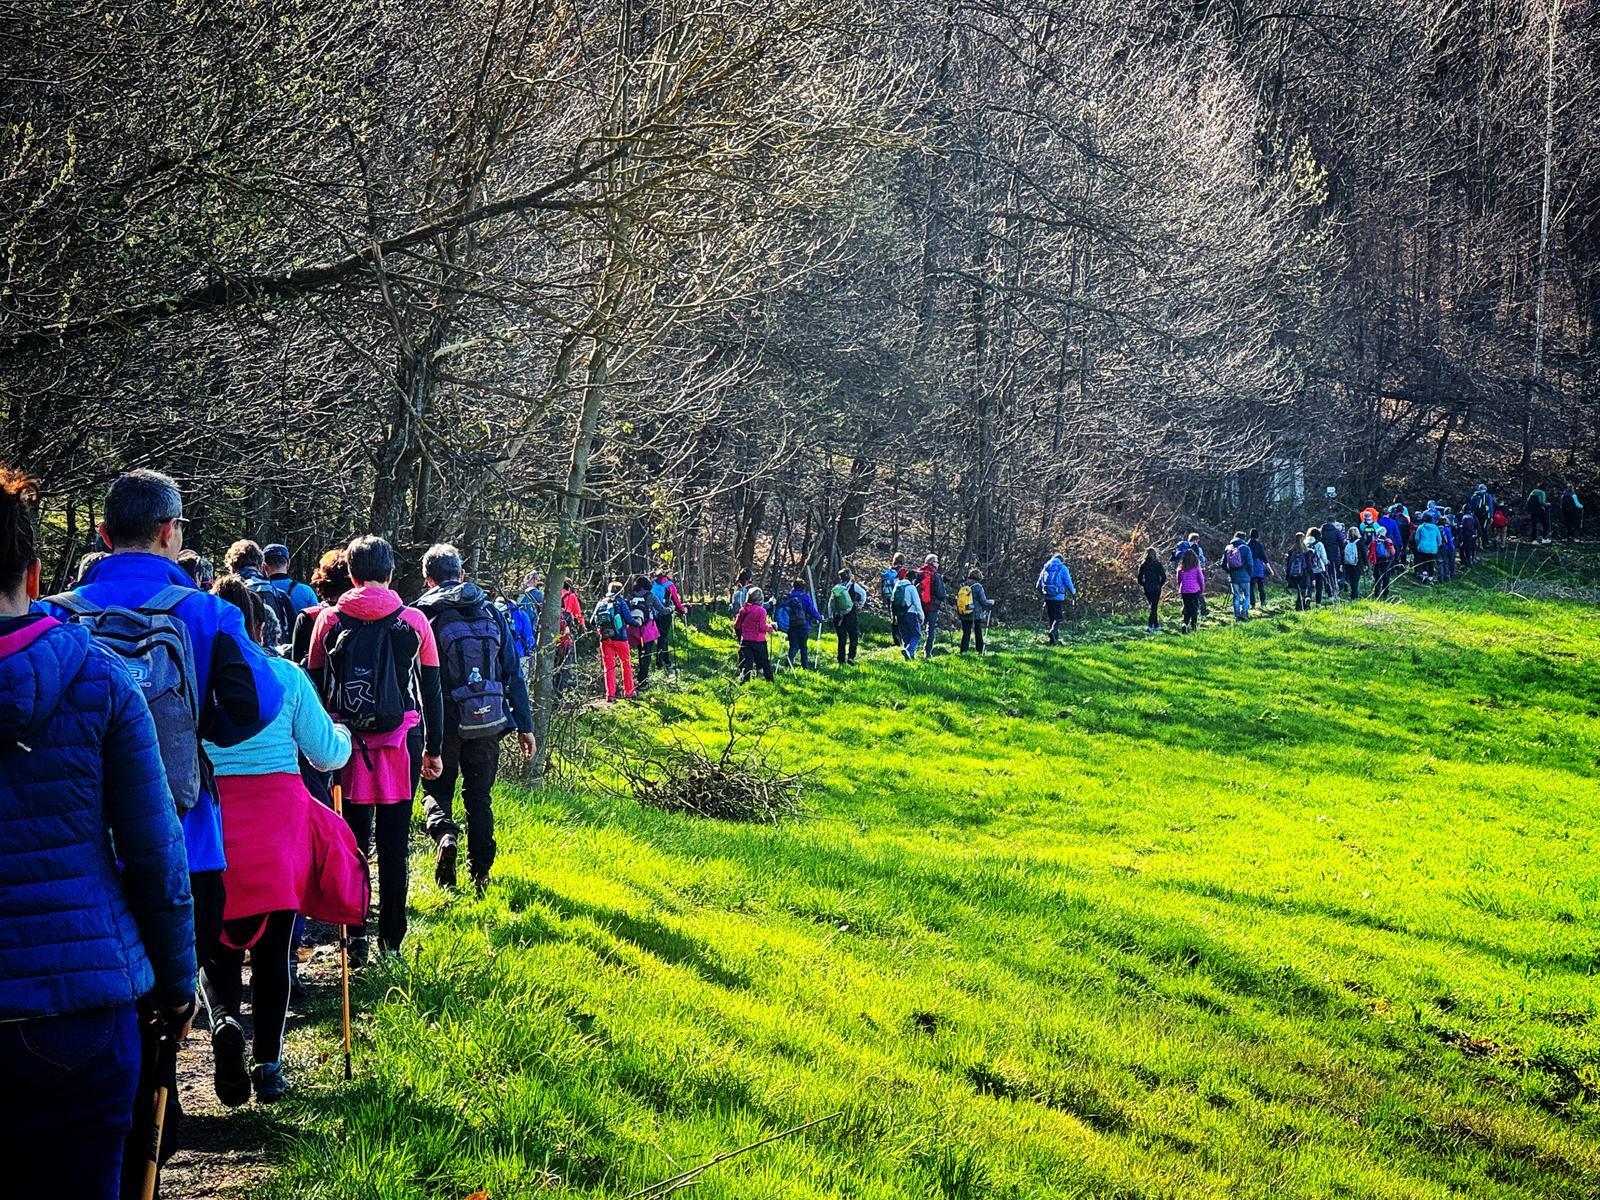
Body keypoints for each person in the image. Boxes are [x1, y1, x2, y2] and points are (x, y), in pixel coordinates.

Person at [0, 467, 197, 1200]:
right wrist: (177, 990)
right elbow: (154, 856)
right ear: (34, 570)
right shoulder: (99, 678)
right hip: (80, 1011)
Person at [202, 576, 355, 1105]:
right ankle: (268, 1063)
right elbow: (327, 755)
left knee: (215, 937)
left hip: (215, 815)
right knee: (274, 948)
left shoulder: (195, 680)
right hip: (278, 821)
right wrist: (345, 737)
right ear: (262, 625)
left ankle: (223, 1020)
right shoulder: (286, 677)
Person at [305, 535, 444, 961]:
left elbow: (313, 685)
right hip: (401, 743)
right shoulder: (415, 621)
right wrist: (433, 750)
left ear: (350, 573)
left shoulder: (328, 620)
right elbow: (431, 690)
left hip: (347, 746)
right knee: (394, 845)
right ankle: (392, 942)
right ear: (390, 573)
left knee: (354, 844)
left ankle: (355, 937)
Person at [414, 545, 535, 894]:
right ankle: (480, 873)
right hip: (488, 721)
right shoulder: (491, 613)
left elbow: (415, 679)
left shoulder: (424, 617)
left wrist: (423, 736)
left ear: (428, 579)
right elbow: (512, 672)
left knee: (437, 789)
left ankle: (444, 833)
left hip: (444, 722)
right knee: (479, 797)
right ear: (462, 575)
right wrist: (524, 726)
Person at [225, 539, 297, 642]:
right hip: (275, 653)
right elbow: (293, 632)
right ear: (261, 566)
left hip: (238, 653)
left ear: (232, 568)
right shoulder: (280, 595)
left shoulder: (225, 594)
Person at [593, 582, 640, 701]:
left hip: (605, 639)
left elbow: (592, 620)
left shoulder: (601, 603)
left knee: (608, 668)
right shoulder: (620, 602)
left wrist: (600, 628)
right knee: (626, 665)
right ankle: (629, 692)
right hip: (620, 639)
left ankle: (610, 695)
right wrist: (638, 622)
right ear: (620, 591)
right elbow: (629, 619)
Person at [626, 575, 663, 689]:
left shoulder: (630, 596)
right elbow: (662, 609)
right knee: (646, 655)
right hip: (647, 629)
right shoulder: (650, 596)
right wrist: (671, 608)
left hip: (633, 629)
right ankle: (643, 681)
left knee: (639, 653)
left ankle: (635, 679)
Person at [261, 544, 318, 616]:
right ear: (288, 564)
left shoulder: (259, 591)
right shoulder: (306, 591)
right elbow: (316, 618)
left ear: (264, 566)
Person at [649, 569, 688, 671]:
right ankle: (660, 663)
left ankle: (665, 661)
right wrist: (682, 611)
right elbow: (675, 599)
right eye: (671, 573)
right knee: (663, 638)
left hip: (654, 613)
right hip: (665, 613)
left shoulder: (653, 582)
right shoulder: (668, 584)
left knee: (661, 638)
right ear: (667, 574)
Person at [780, 577, 824, 669]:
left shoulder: (788, 597)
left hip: (791, 624)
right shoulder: (805, 597)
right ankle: (804, 665)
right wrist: (820, 618)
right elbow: (811, 610)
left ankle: (789, 662)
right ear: (803, 587)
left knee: (793, 645)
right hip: (803, 624)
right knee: (803, 646)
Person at [733, 587, 775, 682]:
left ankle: (745, 681)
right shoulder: (761, 611)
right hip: (759, 641)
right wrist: (771, 627)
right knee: (765, 662)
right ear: (760, 598)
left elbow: (737, 626)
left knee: (748, 662)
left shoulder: (743, 610)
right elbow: (762, 628)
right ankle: (770, 681)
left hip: (745, 641)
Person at [828, 568, 866, 665]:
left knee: (842, 639)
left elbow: (830, 603)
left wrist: (830, 616)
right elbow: (863, 594)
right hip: (850, 615)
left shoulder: (836, 588)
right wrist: (861, 604)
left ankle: (841, 660)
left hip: (838, 616)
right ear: (849, 576)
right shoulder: (854, 586)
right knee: (853, 636)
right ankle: (851, 657)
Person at [1035, 553, 1075, 644]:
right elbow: (1068, 582)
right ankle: (1053, 632)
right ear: (1062, 560)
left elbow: (1038, 584)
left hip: (1047, 596)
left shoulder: (1046, 567)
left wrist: (1042, 592)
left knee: (1051, 617)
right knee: (1058, 617)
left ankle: (1053, 640)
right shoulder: (1062, 568)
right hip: (1058, 596)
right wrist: (1073, 592)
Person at [956, 567, 995, 652]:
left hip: (964, 611)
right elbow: (983, 601)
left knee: (966, 632)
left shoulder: (964, 584)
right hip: (975, 614)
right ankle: (980, 650)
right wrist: (991, 602)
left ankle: (963, 650)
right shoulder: (978, 586)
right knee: (978, 632)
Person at [915, 555, 946, 658]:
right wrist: (942, 598)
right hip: (932, 606)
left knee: (918, 626)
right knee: (930, 629)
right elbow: (940, 593)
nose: (938, 564)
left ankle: (912, 648)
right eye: (937, 561)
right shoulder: (936, 575)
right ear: (932, 562)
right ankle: (927, 652)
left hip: (919, 605)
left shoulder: (919, 573)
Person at [891, 567, 925, 658]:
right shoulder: (911, 587)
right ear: (913, 579)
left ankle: (909, 657)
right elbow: (917, 603)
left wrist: (894, 616)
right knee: (916, 635)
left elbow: (892, 602)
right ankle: (909, 651)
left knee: (906, 637)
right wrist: (921, 616)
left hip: (899, 615)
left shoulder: (897, 586)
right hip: (910, 614)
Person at [1222, 532, 1253, 620]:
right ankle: (1244, 613)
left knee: (1236, 595)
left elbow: (1223, 563)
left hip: (1233, 577)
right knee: (1246, 595)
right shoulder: (1246, 548)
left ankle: (1237, 615)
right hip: (1245, 576)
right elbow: (1250, 563)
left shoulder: (1228, 548)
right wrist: (1249, 574)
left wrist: (1229, 572)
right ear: (1244, 539)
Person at [1136, 548, 1166, 632]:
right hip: (1156, 587)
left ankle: (1156, 625)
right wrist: (1160, 585)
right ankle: (1150, 626)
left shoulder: (1143, 565)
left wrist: (1144, 584)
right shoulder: (1158, 564)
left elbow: (1139, 579)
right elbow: (1163, 577)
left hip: (1147, 588)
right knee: (1154, 607)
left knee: (1153, 606)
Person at [1176, 549, 1205, 633]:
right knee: (1194, 608)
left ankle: (1184, 624)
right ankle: (1194, 625)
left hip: (1184, 591)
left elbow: (1179, 580)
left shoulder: (1180, 569)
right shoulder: (1196, 568)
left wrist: (1181, 587)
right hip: (1195, 590)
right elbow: (1201, 580)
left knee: (1187, 608)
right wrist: (1201, 589)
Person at [880, 554, 905, 645]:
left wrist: (883, 597)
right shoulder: (901, 571)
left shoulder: (887, 572)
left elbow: (882, 585)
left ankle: (895, 638)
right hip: (898, 598)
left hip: (888, 596)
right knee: (901, 617)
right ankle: (901, 638)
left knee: (893, 617)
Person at [1284, 534, 1311, 611]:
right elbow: (1308, 565)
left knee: (1298, 590)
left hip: (1293, 574)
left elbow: (1288, 564)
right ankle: (1302, 605)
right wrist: (1311, 576)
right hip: (1303, 573)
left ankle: (1299, 605)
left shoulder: (1291, 551)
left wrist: (1287, 576)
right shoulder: (1306, 551)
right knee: (1303, 589)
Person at [1412, 513, 1441, 583]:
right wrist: (1437, 545)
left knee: (1424, 562)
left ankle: (1424, 575)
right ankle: (1430, 578)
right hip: (1432, 548)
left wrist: (1418, 544)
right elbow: (1439, 538)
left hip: (1423, 547)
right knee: (1431, 563)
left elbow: (1416, 538)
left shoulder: (1421, 527)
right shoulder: (1435, 528)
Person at [1246, 529, 1269, 608]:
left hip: (1251, 568)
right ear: (1257, 536)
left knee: (1251, 587)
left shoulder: (1247, 545)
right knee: (1261, 586)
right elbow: (1264, 557)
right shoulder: (1259, 545)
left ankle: (1252, 604)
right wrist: (1270, 568)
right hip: (1259, 568)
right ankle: (1263, 602)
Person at [1308, 527, 1332, 604]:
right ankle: (1318, 603)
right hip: (1318, 568)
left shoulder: (1305, 543)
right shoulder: (1319, 544)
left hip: (1308, 569)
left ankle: (1308, 598)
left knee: (1309, 585)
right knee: (1319, 586)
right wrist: (1327, 562)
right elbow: (1323, 557)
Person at [1342, 528, 1365, 600]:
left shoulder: (1346, 542)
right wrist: (1366, 564)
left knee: (1350, 578)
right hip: (1357, 563)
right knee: (1355, 579)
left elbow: (1342, 553)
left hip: (1347, 564)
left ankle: (1352, 591)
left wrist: (1341, 563)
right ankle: (1354, 595)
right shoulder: (1360, 542)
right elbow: (1363, 553)